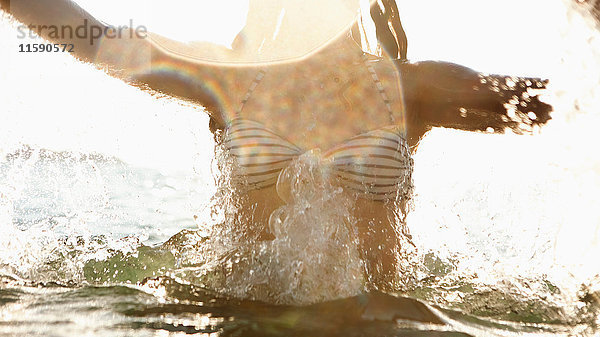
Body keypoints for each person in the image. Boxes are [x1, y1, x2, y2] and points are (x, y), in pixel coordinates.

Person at [0, 0, 552, 290]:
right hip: (238, 315)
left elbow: (554, 104)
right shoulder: (228, 77)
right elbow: (95, 40)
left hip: (379, 320)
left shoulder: (410, 87)